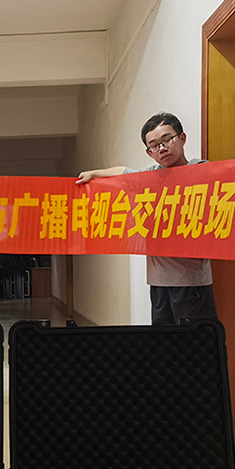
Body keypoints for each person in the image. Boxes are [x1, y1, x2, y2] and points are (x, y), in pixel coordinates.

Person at [77, 112, 218, 325]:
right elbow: (123, 172)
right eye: (154, 145)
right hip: (158, 282)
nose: (162, 148)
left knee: (197, 342)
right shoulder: (149, 176)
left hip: (192, 281)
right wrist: (94, 173)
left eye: (168, 139)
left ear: (182, 138)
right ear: (149, 152)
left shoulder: (201, 170)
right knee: (162, 342)